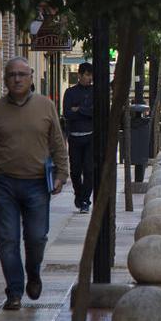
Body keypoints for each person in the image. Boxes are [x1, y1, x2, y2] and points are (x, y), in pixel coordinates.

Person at [0, 57, 69, 311]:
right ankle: (14, 291)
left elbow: (58, 143)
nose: (17, 79)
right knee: (7, 240)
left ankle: (33, 273)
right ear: (5, 80)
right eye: (12, 75)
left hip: (37, 184)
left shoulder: (45, 106)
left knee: (37, 237)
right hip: (4, 184)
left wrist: (62, 174)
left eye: (22, 74)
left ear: (31, 77)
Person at [63, 62, 94, 213]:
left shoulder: (95, 92)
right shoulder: (70, 92)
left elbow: (96, 112)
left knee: (89, 171)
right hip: (74, 137)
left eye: (91, 75)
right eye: (87, 75)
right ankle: (78, 194)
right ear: (79, 75)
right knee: (75, 171)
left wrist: (79, 109)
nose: (90, 78)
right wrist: (85, 111)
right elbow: (67, 114)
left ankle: (85, 201)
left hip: (90, 137)